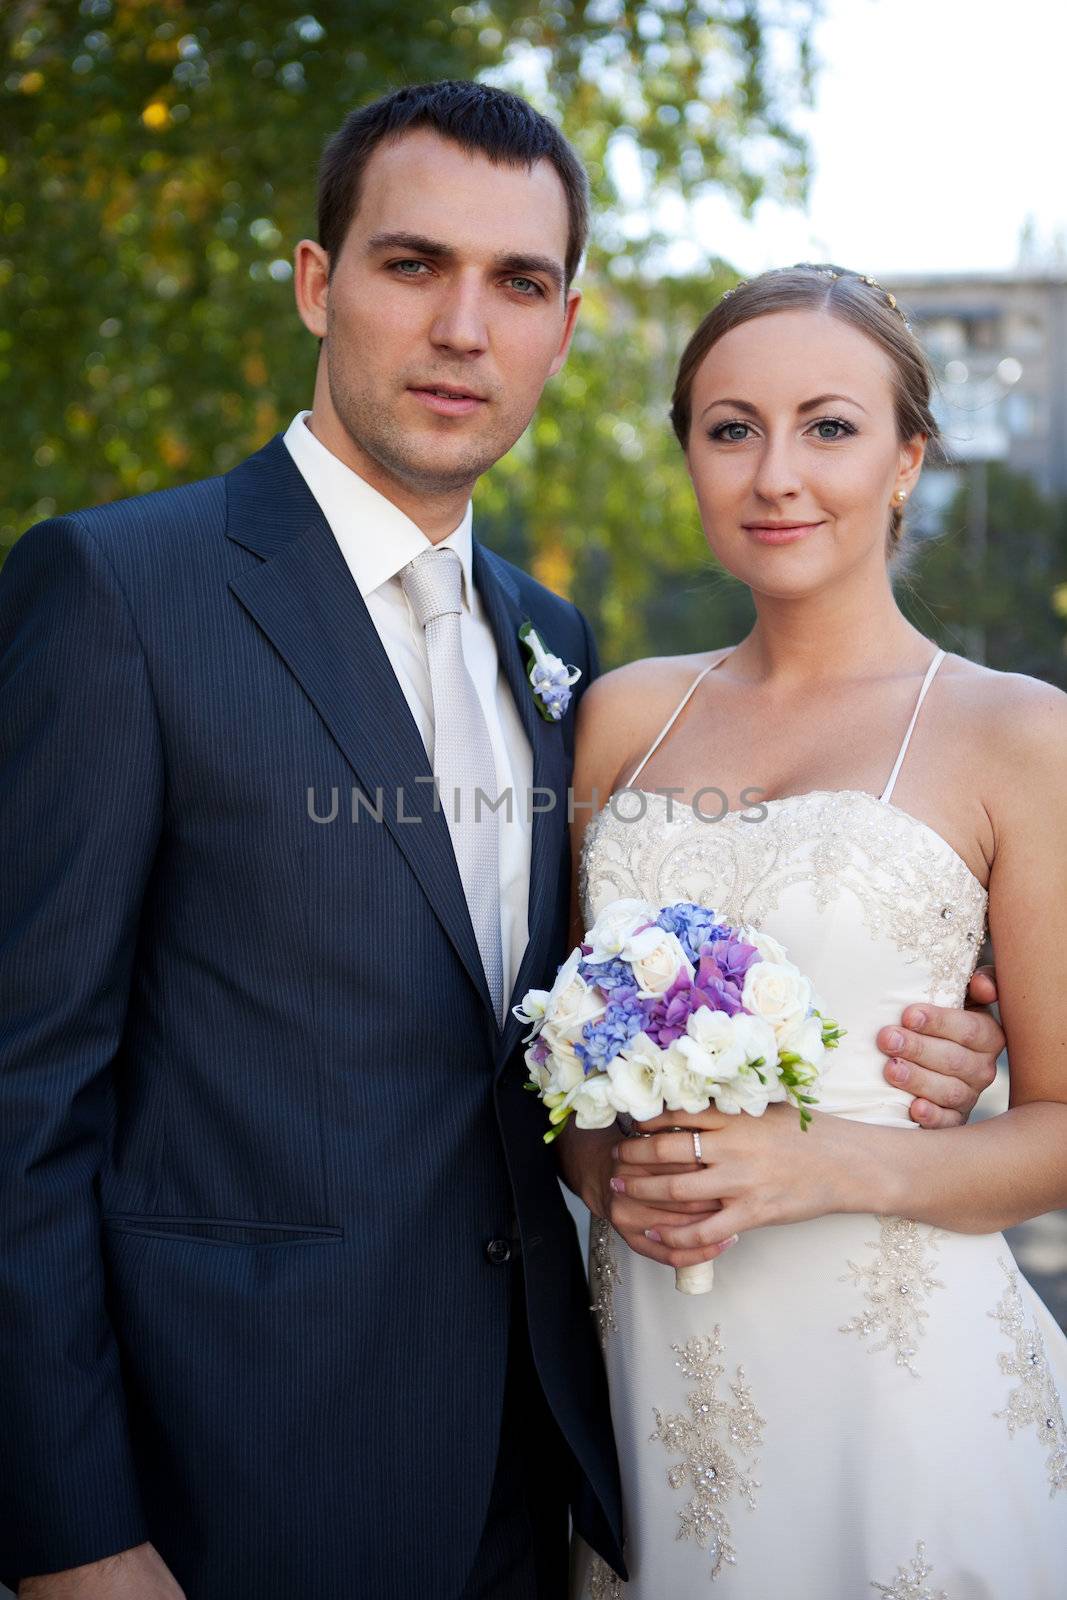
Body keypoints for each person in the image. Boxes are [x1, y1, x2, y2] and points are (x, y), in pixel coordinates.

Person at [0, 80, 1001, 1598]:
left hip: (554, 1467)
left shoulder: (557, 650)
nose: (466, 327)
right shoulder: (119, 595)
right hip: (236, 1475)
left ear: (566, 326)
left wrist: (928, 1026)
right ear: (317, 284)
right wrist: (74, 1537)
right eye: (414, 265)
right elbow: (23, 1096)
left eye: (518, 282)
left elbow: (568, 1004)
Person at [563, 263, 1067, 1599]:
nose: (776, 472)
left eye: (829, 427)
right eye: (731, 428)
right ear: (690, 458)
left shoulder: (1018, 736)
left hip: (900, 1398)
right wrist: (611, 1167)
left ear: (908, 458)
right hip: (656, 1377)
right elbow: (553, 1075)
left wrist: (827, 1166)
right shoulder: (623, 718)